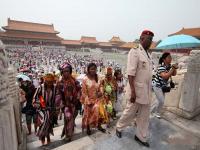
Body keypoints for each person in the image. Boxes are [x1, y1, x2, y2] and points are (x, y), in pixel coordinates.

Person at [116, 30, 154, 147]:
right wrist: (132, 92)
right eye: (149, 39)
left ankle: (140, 136)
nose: (151, 42)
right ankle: (119, 127)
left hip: (146, 91)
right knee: (130, 112)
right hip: (136, 91)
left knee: (145, 116)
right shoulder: (135, 51)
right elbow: (130, 74)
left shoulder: (148, 54)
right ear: (142, 38)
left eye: (151, 40)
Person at [56, 63, 80, 141]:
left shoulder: (74, 80)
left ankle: (68, 131)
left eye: (68, 71)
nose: (66, 73)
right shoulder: (60, 82)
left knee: (70, 119)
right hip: (65, 104)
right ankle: (68, 135)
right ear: (62, 72)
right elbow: (58, 94)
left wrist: (78, 96)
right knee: (68, 117)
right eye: (65, 71)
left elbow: (79, 89)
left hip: (74, 103)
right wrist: (60, 105)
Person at [81, 63, 106, 135]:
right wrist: (88, 101)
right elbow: (84, 92)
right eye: (91, 69)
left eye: (94, 69)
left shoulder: (98, 77)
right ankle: (88, 127)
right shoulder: (85, 79)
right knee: (88, 114)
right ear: (88, 70)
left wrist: (101, 92)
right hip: (88, 100)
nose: (93, 71)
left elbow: (100, 86)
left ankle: (99, 125)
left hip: (97, 99)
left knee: (100, 111)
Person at [152, 52, 178, 118]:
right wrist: (172, 69)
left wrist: (174, 68)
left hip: (163, 86)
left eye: (171, 57)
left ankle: (153, 110)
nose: (170, 59)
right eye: (169, 57)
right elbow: (165, 76)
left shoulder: (169, 66)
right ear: (164, 59)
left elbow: (174, 74)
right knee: (161, 100)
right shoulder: (161, 67)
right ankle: (156, 112)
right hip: (157, 86)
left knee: (159, 100)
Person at [33, 73, 57, 145]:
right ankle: (42, 136)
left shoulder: (54, 88)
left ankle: (47, 136)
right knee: (44, 121)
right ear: (45, 81)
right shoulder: (40, 87)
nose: (49, 83)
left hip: (50, 109)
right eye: (48, 82)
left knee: (49, 124)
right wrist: (40, 104)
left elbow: (56, 98)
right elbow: (35, 98)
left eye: (51, 82)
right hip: (41, 109)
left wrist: (56, 108)